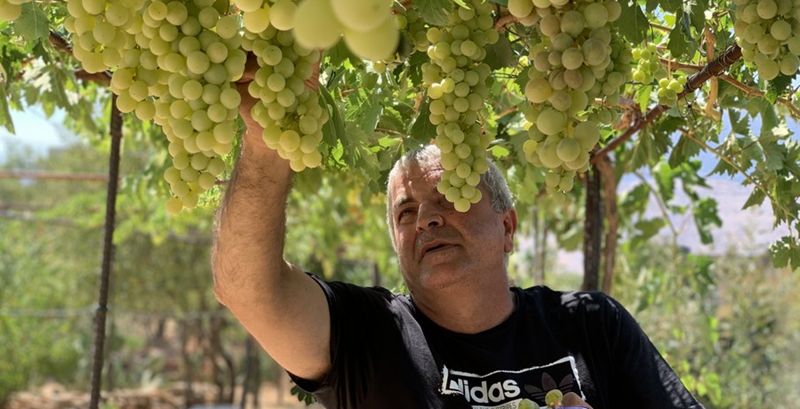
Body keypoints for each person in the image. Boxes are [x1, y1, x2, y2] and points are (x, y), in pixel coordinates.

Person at [212, 70, 705, 409]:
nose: (425, 217)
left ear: (507, 227)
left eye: (450, 195)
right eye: (405, 212)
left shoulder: (593, 324)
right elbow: (247, 290)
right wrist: (264, 140)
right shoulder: (371, 335)